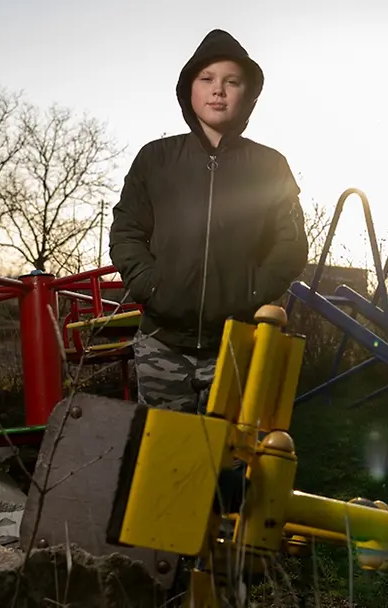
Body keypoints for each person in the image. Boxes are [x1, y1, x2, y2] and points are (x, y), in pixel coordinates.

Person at [109, 29, 309, 414]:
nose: (219, 90)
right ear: (189, 91)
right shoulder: (155, 159)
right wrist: (150, 284)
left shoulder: (270, 166)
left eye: (232, 82)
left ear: (247, 96)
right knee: (165, 455)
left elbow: (291, 244)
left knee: (229, 458)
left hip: (237, 343)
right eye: (208, 79)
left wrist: (253, 291)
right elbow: (126, 230)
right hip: (161, 343)